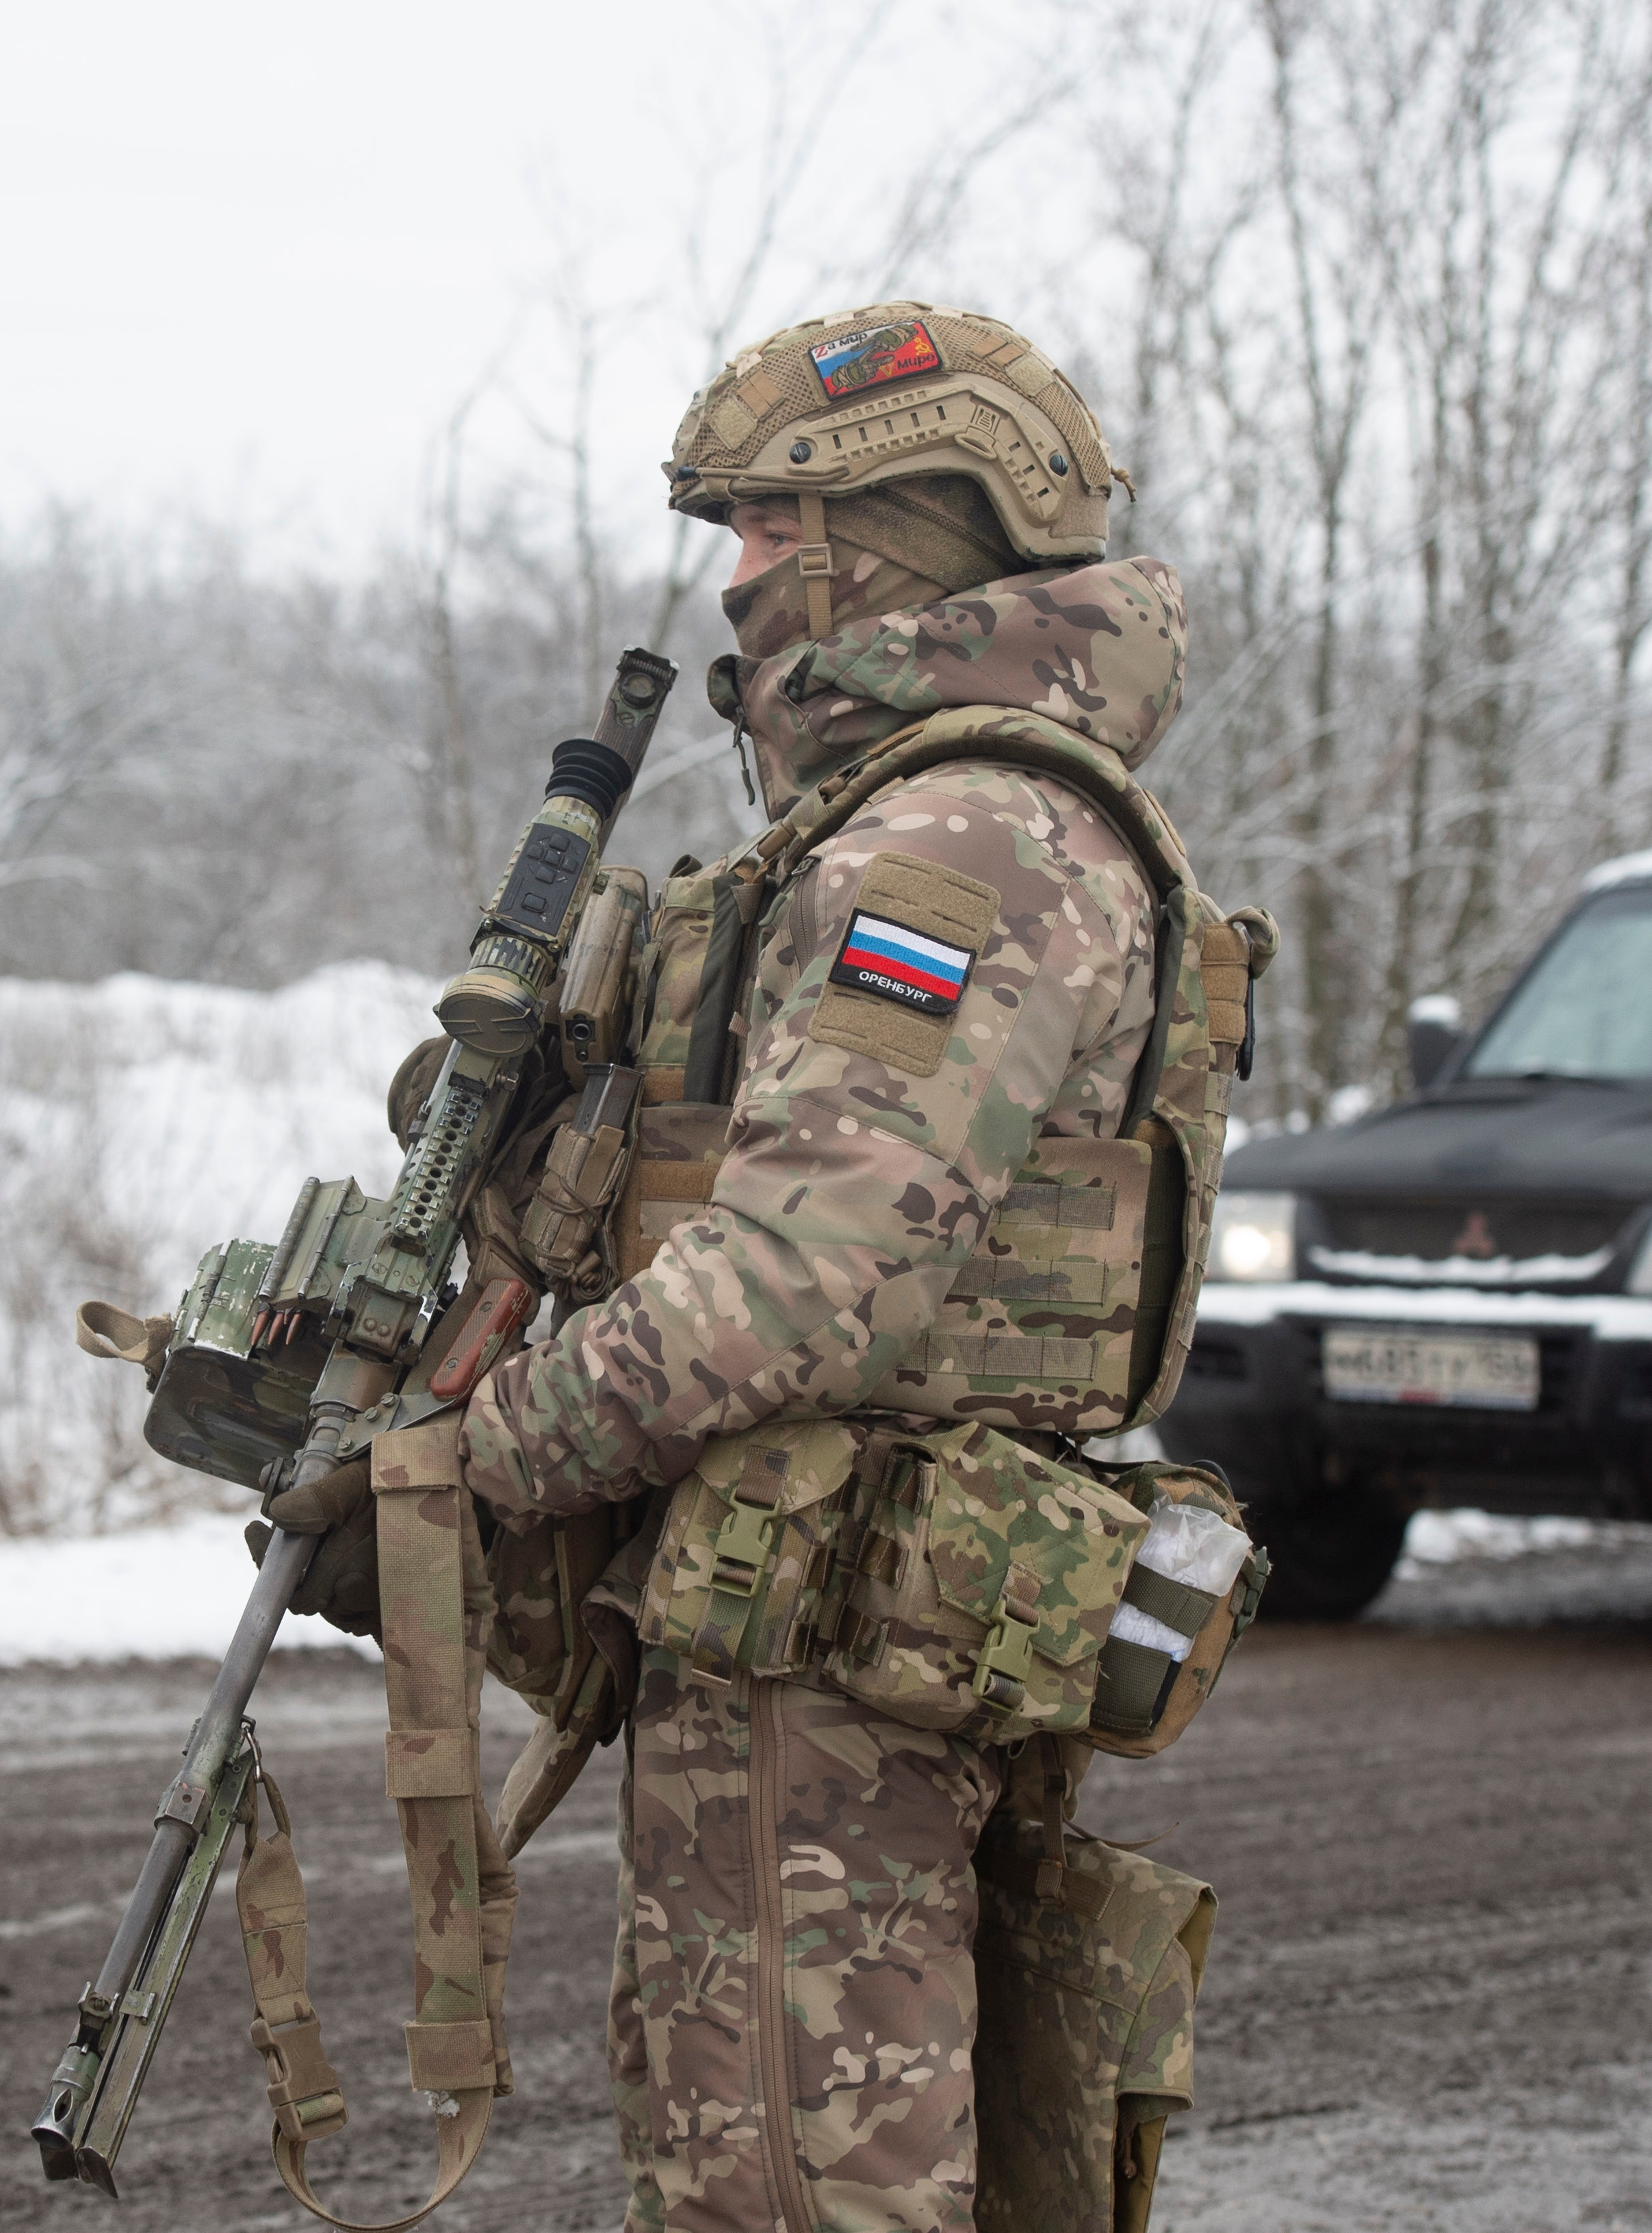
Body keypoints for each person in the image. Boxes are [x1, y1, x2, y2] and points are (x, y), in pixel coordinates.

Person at [448, 306, 1223, 2230]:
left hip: (831, 1660)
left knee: (795, 2189)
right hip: (808, 1630)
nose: (734, 584)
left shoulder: (959, 844)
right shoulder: (901, 826)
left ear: (884, 541)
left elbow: (803, 1279)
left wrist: (474, 1461)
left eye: (761, 536)